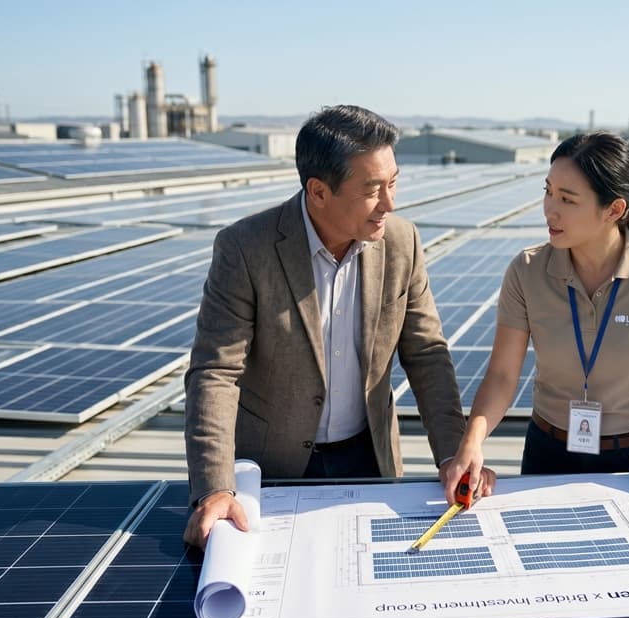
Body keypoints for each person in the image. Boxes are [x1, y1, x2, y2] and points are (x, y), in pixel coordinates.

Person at [184, 105, 495, 548]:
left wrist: (452, 453)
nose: (390, 202)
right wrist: (215, 487)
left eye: (393, 183)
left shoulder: (401, 242)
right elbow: (216, 373)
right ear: (318, 191)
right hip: (275, 468)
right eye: (372, 189)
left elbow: (426, 354)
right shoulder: (246, 249)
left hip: (369, 457)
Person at [445, 131, 629, 506]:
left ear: (615, 209)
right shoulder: (527, 271)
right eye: (548, 192)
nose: (549, 209)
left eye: (567, 200)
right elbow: (502, 375)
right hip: (548, 453)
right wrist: (472, 441)